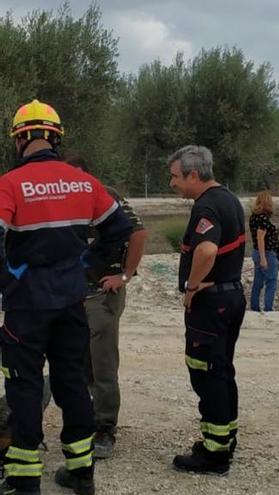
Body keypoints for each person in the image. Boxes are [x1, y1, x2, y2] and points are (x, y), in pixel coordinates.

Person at [0, 100, 132, 494]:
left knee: (24, 386)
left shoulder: (9, 183)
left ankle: (25, 480)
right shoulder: (84, 182)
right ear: (55, 137)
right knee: (72, 381)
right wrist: (84, 264)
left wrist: (7, 280)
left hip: (26, 306)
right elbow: (120, 230)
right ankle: (81, 471)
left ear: (21, 138)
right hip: (73, 301)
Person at [167, 145, 245, 475]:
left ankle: (214, 455)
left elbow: (207, 251)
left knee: (206, 373)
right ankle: (225, 438)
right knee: (222, 370)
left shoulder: (207, 207)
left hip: (211, 306)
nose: (171, 183)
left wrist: (192, 286)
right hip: (231, 298)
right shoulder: (228, 198)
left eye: (175, 177)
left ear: (193, 175)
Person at [66, 155, 148, 460]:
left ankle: (105, 427)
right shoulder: (65, 201)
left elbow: (137, 234)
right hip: (74, 294)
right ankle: (89, 415)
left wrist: (125, 275)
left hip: (102, 293)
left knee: (102, 361)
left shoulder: (107, 197)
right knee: (81, 358)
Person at [249, 190, 279, 312]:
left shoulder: (253, 217)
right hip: (266, 253)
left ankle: (254, 307)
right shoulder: (263, 218)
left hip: (257, 252)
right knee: (271, 282)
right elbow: (260, 237)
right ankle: (268, 308)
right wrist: (263, 259)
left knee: (258, 282)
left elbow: (260, 235)